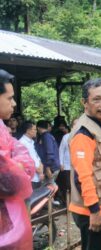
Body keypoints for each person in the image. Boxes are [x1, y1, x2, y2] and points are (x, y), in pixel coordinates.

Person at [69, 78, 101, 250]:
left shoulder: (100, 125)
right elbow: (82, 176)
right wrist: (95, 211)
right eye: (97, 99)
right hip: (91, 210)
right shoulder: (84, 133)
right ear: (85, 102)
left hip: (100, 206)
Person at [0, 68, 35, 250]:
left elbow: (23, 158)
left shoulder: (2, 129)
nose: (14, 103)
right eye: (9, 98)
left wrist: (16, 163)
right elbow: (11, 181)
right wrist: (18, 165)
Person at [58, 118, 78, 206]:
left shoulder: (84, 136)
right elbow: (61, 150)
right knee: (68, 186)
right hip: (67, 166)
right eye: (75, 124)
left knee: (78, 185)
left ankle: (77, 203)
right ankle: (69, 203)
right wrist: (61, 163)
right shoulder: (66, 137)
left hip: (79, 166)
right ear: (72, 126)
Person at [19, 121, 45, 189]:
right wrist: (38, 171)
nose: (36, 131)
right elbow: (24, 162)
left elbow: (36, 157)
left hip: (38, 177)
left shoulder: (31, 142)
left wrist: (41, 170)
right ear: (28, 131)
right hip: (31, 179)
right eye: (35, 129)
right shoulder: (22, 143)